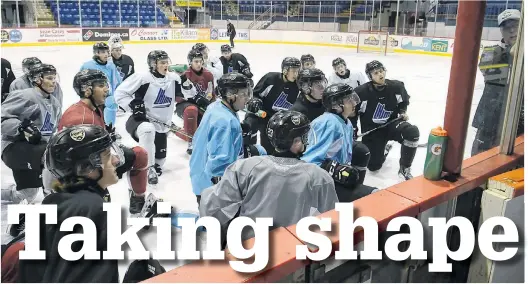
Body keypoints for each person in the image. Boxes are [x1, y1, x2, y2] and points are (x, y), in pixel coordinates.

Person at [199, 110, 338, 245]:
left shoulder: (245, 167)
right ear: (296, 142)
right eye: (305, 137)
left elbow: (211, 206)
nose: (307, 141)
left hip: (244, 250)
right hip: (289, 257)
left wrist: (222, 239)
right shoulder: (319, 178)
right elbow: (332, 223)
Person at [17, 125, 123, 282]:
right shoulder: (93, 209)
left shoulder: (53, 202)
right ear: (86, 168)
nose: (116, 160)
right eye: (108, 155)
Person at [58, 69, 163, 217]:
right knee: (138, 155)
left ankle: (137, 203)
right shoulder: (81, 119)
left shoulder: (93, 108)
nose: (107, 88)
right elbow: (76, 161)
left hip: (91, 164)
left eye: (105, 84)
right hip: (80, 175)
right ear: (87, 90)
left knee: (139, 154)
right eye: (101, 85)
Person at [1, 64, 61, 236]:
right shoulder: (25, 96)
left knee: (28, 192)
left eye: (54, 77)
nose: (53, 82)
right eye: (49, 78)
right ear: (37, 79)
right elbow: (2, 118)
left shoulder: (55, 103)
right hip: (14, 147)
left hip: (36, 150)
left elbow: (51, 132)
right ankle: (52, 210)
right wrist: (21, 128)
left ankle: (11, 201)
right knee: (51, 161)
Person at [115, 50, 190, 184]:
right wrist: (133, 105)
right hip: (140, 120)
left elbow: (189, 94)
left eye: (167, 62)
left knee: (160, 161)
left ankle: (150, 163)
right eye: (162, 62)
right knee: (148, 130)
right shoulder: (142, 77)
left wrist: (184, 79)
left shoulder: (173, 78)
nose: (166, 65)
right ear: (153, 65)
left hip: (162, 125)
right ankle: (148, 169)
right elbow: (119, 93)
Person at [190, 73, 264, 205]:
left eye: (248, 93)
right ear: (230, 95)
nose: (247, 98)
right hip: (210, 189)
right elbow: (218, 168)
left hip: (199, 174)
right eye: (243, 94)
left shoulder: (217, 106)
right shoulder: (225, 122)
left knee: (259, 151)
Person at [292, 68, 372, 186]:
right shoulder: (300, 113)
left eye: (323, 82)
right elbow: (307, 157)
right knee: (354, 196)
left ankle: (353, 188)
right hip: (315, 170)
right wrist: (331, 168)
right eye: (318, 85)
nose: (323, 87)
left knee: (361, 152)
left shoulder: (342, 118)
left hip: (328, 156)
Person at [301, 83, 377, 202]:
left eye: (353, 98)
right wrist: (333, 169)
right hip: (319, 184)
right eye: (348, 100)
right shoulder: (328, 123)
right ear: (336, 105)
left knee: (362, 152)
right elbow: (309, 162)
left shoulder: (346, 122)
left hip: (333, 179)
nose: (354, 103)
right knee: (373, 196)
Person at [352, 60, 420, 180]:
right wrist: (353, 130)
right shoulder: (361, 93)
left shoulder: (397, 87)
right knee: (373, 166)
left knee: (412, 132)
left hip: (392, 125)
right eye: (376, 73)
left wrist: (402, 112)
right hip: (373, 131)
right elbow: (352, 113)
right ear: (370, 76)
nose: (380, 75)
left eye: (381, 71)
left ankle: (405, 168)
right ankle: (385, 149)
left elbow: (403, 101)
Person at [471, 9, 523, 156]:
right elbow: (491, 75)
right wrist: (512, 54)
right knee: (480, 161)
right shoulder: (491, 53)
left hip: (520, 122)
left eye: (516, 25)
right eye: (506, 27)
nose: (512, 30)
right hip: (489, 120)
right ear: (501, 31)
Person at [244, 57, 301, 154]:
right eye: (293, 71)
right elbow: (255, 95)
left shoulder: (298, 86)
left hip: (277, 119)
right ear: (285, 70)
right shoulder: (271, 79)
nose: (296, 74)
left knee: (270, 147)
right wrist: (255, 101)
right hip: (261, 113)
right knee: (250, 125)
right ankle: (246, 150)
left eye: (297, 71)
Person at [174, 49, 216, 155]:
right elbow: (177, 96)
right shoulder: (183, 74)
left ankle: (174, 129)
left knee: (203, 133)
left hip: (202, 105)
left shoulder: (208, 75)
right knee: (192, 110)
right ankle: (191, 142)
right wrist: (194, 99)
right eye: (196, 61)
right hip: (185, 105)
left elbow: (211, 93)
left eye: (200, 61)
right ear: (190, 62)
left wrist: (212, 106)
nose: (199, 64)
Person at [80, 42, 122, 128]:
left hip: (107, 94)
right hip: (92, 95)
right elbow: (80, 81)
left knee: (111, 103)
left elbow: (117, 81)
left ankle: (110, 128)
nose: (106, 54)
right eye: (103, 52)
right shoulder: (87, 65)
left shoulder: (111, 65)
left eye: (107, 52)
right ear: (96, 53)